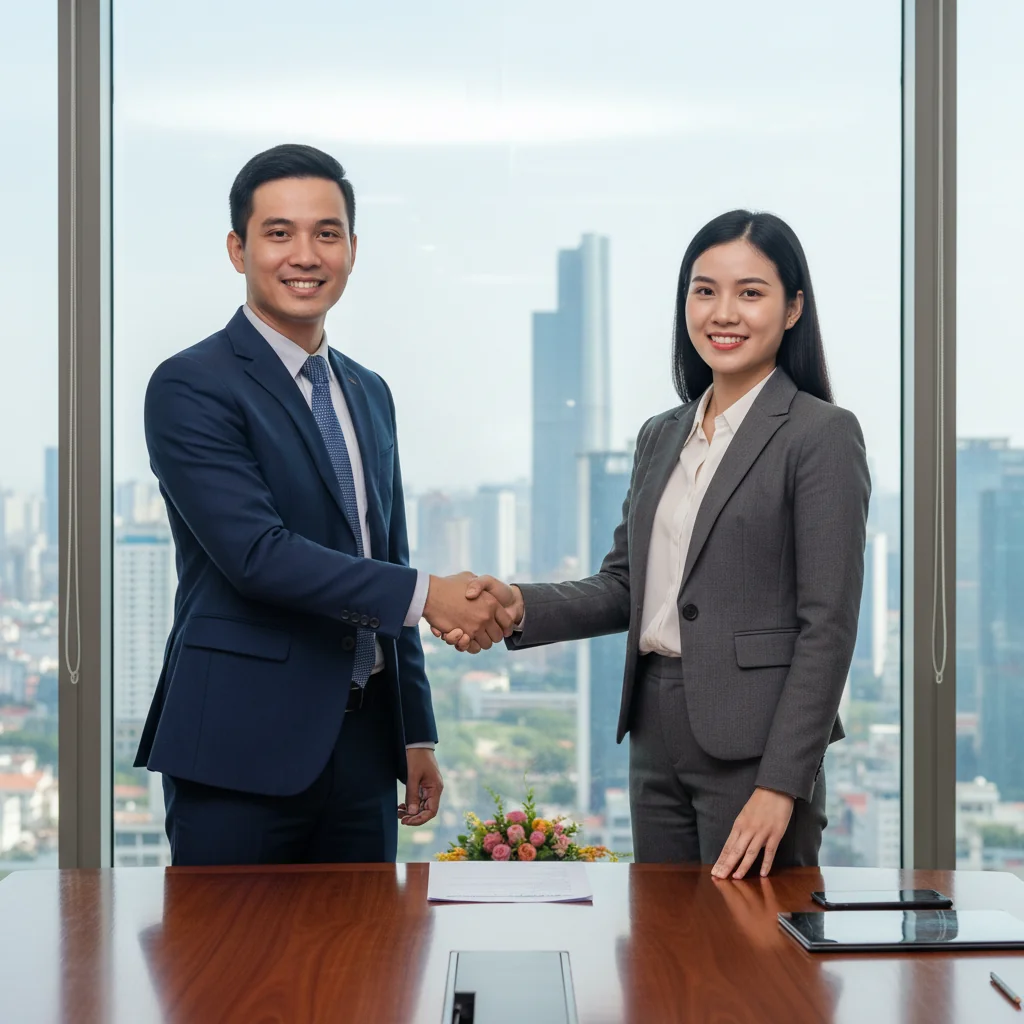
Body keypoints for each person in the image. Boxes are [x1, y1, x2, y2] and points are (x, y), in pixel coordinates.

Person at [438, 210, 870, 878]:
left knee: (748, 959)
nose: (723, 313)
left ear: (792, 309)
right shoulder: (660, 435)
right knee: (664, 953)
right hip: (654, 734)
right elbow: (625, 586)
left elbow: (828, 627)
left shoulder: (820, 434)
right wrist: (517, 604)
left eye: (750, 293)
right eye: (704, 291)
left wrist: (783, 783)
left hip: (756, 744)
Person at [136, 144, 513, 866]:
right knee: (225, 973)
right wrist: (430, 595)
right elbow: (257, 556)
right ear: (237, 249)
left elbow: (385, 555)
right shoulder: (191, 385)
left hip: (365, 750)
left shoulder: (368, 391)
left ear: (352, 250)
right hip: (238, 750)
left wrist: (414, 733)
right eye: (279, 233)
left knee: (364, 971)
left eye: (326, 234)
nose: (305, 255)